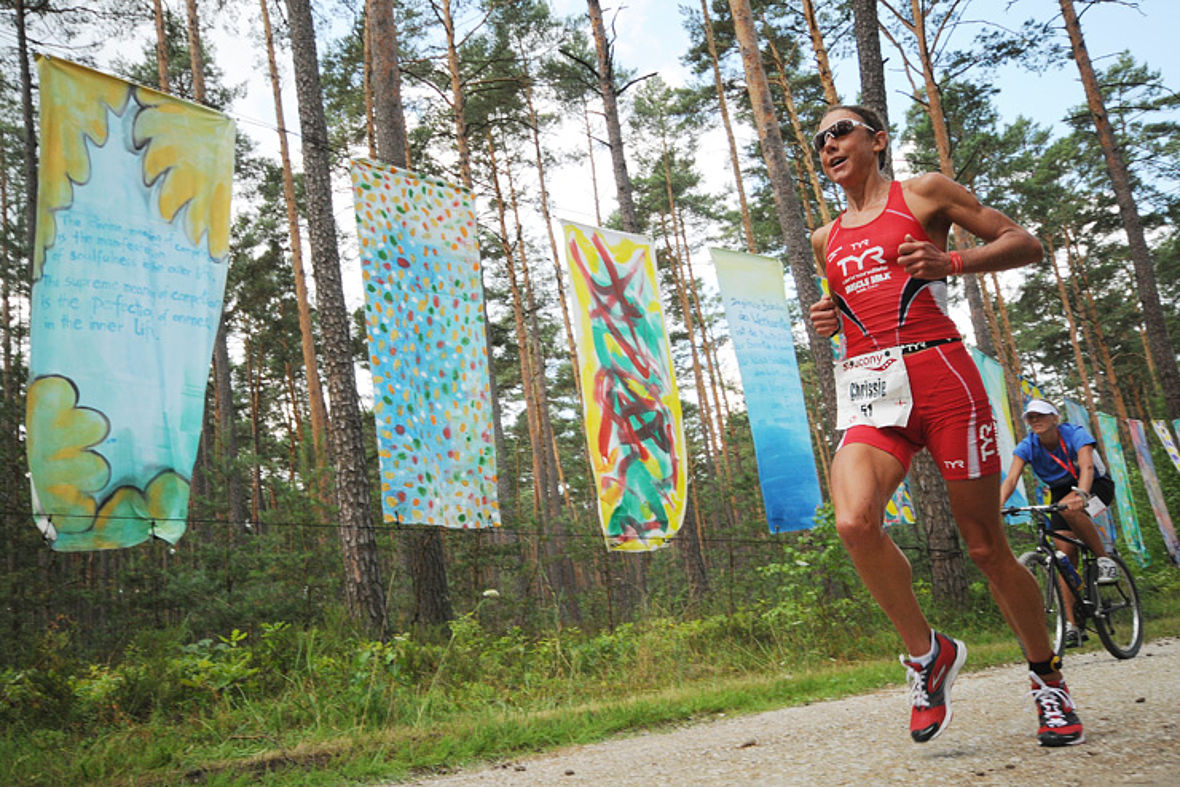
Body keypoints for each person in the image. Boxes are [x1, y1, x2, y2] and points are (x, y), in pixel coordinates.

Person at [807, 105, 1084, 746]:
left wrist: (951, 264)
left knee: (986, 547)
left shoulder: (924, 192)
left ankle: (1048, 680)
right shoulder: (826, 238)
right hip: (873, 390)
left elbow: (1025, 242)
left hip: (944, 381)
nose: (828, 143)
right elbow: (861, 306)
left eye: (840, 130)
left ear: (876, 140)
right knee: (854, 521)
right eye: (820, 139)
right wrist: (832, 319)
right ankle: (927, 653)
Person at [1000, 399, 1119, 646]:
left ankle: (1103, 560)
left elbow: (1086, 466)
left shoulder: (1075, 434)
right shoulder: (1027, 446)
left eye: (1040, 415)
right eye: (1030, 417)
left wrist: (1083, 496)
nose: (1035, 421)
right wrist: (995, 507)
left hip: (1095, 485)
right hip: (1061, 491)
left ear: (1055, 418)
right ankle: (1072, 626)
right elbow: (1011, 479)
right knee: (1063, 557)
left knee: (1072, 511)